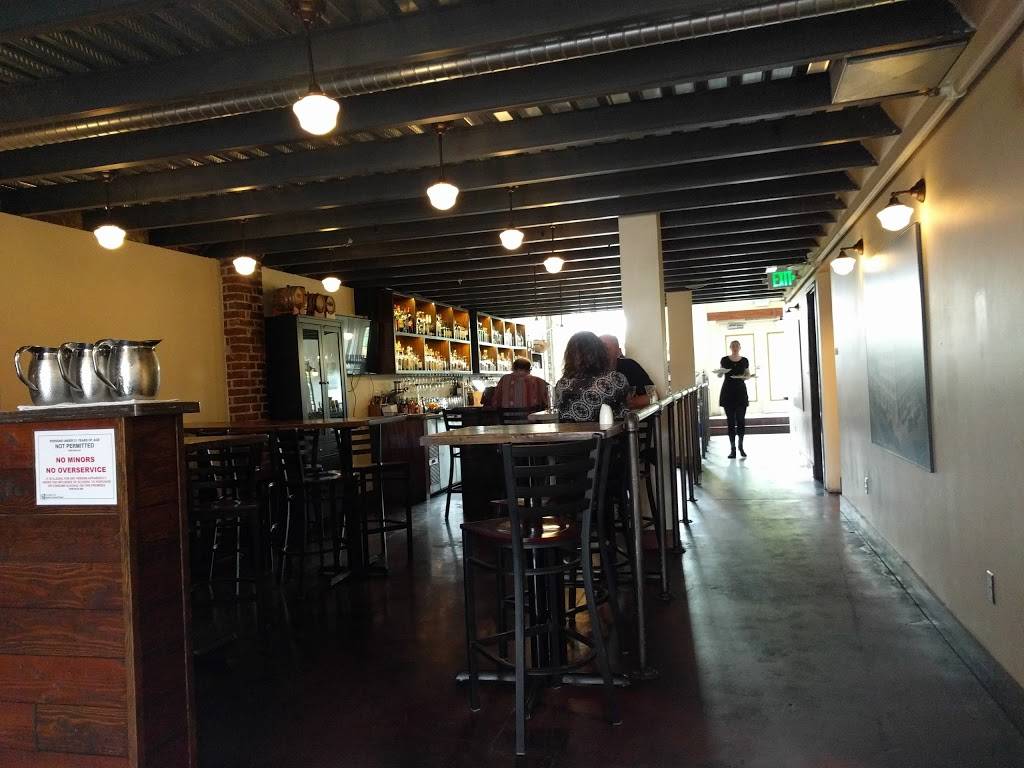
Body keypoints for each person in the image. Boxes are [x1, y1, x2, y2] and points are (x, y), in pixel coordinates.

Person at [554, 331, 629, 422]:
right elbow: (628, 402)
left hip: (568, 431)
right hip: (607, 431)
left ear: (570, 356)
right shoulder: (616, 380)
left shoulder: (561, 385)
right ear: (601, 352)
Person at [599, 334, 655, 408]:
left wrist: (629, 403)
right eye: (599, 350)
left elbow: (653, 396)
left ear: (618, 352)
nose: (603, 354)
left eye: (607, 349)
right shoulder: (590, 370)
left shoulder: (629, 366)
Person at [718, 339, 750, 459]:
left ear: (740, 348)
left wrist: (745, 377)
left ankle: (741, 446)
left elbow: (747, 374)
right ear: (730, 347)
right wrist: (721, 372)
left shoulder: (745, 360)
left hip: (741, 393)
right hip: (728, 392)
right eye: (733, 346)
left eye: (737, 346)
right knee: (730, 422)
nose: (735, 348)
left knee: (741, 421)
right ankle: (733, 449)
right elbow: (719, 375)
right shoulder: (724, 360)